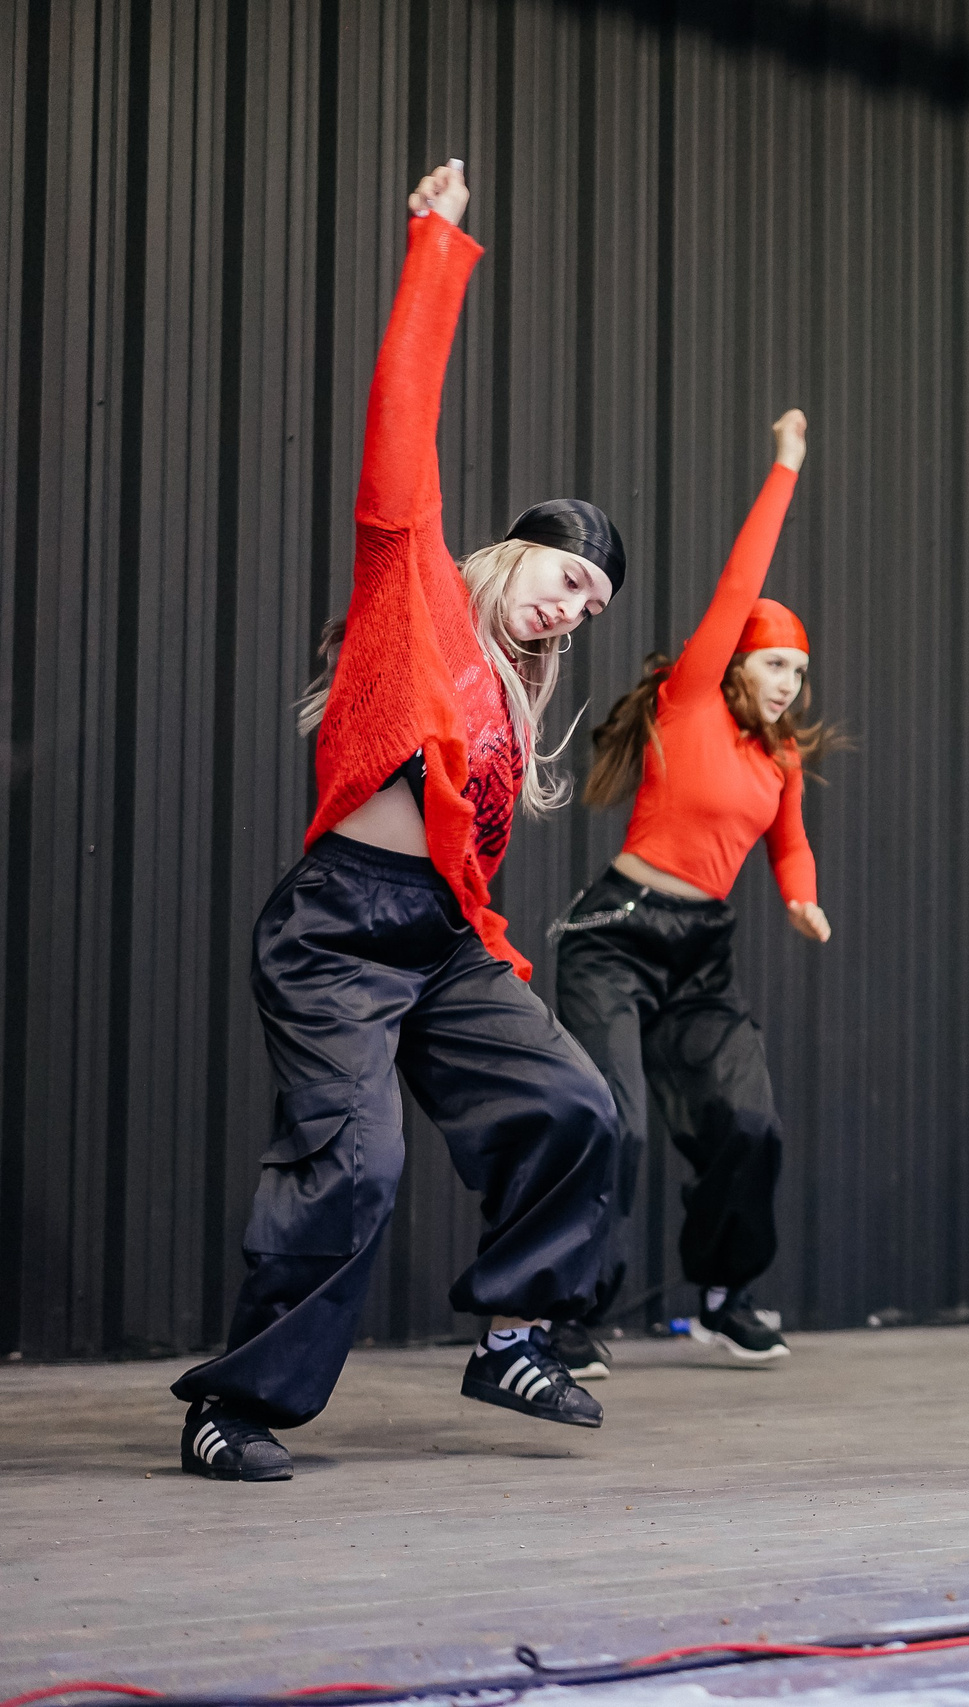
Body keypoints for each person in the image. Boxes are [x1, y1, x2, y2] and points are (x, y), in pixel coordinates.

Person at [171, 160, 627, 1480]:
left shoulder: (509, 706)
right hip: (333, 938)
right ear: (516, 549)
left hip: (439, 942)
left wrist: (494, 957)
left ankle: (518, 1331)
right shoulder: (414, 589)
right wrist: (436, 252)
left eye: (594, 605)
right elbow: (402, 435)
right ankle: (233, 1403)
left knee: (575, 1102)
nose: (573, 606)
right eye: (568, 577)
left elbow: (466, 864)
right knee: (354, 1168)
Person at [549, 410, 832, 1375]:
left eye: (799, 667)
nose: (790, 680)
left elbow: (788, 847)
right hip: (618, 936)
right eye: (776, 662)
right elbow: (739, 581)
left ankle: (724, 1293)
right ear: (738, 661)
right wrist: (785, 467)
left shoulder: (780, 755)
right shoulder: (692, 700)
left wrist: (802, 896)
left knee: (751, 1125)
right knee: (613, 1121)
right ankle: (560, 1312)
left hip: (702, 949)